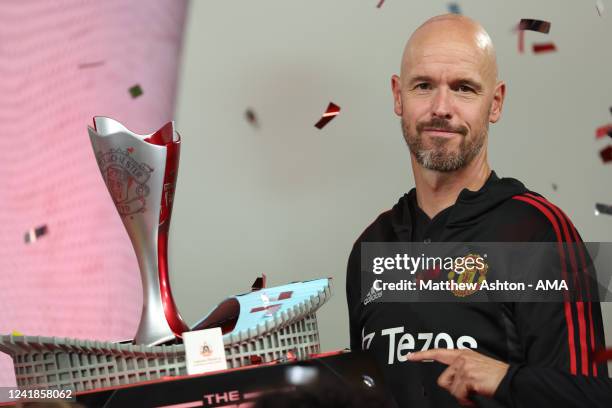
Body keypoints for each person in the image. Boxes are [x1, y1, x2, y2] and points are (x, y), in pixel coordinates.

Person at [345, 13, 610, 407]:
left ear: (495, 102)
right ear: (398, 96)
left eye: (464, 88)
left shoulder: (538, 233)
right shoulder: (372, 247)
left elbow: (595, 399)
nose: (441, 107)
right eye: (424, 86)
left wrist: (505, 381)